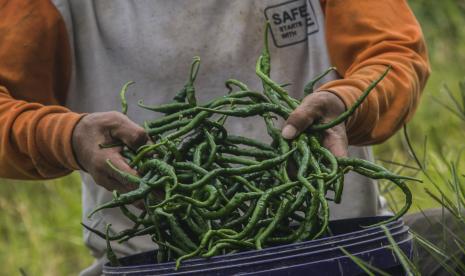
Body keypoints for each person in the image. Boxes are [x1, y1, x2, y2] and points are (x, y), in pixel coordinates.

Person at [0, 0, 430, 275]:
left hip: (338, 244)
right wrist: (64, 135)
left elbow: (394, 54)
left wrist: (351, 101)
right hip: (157, 261)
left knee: (448, 230)